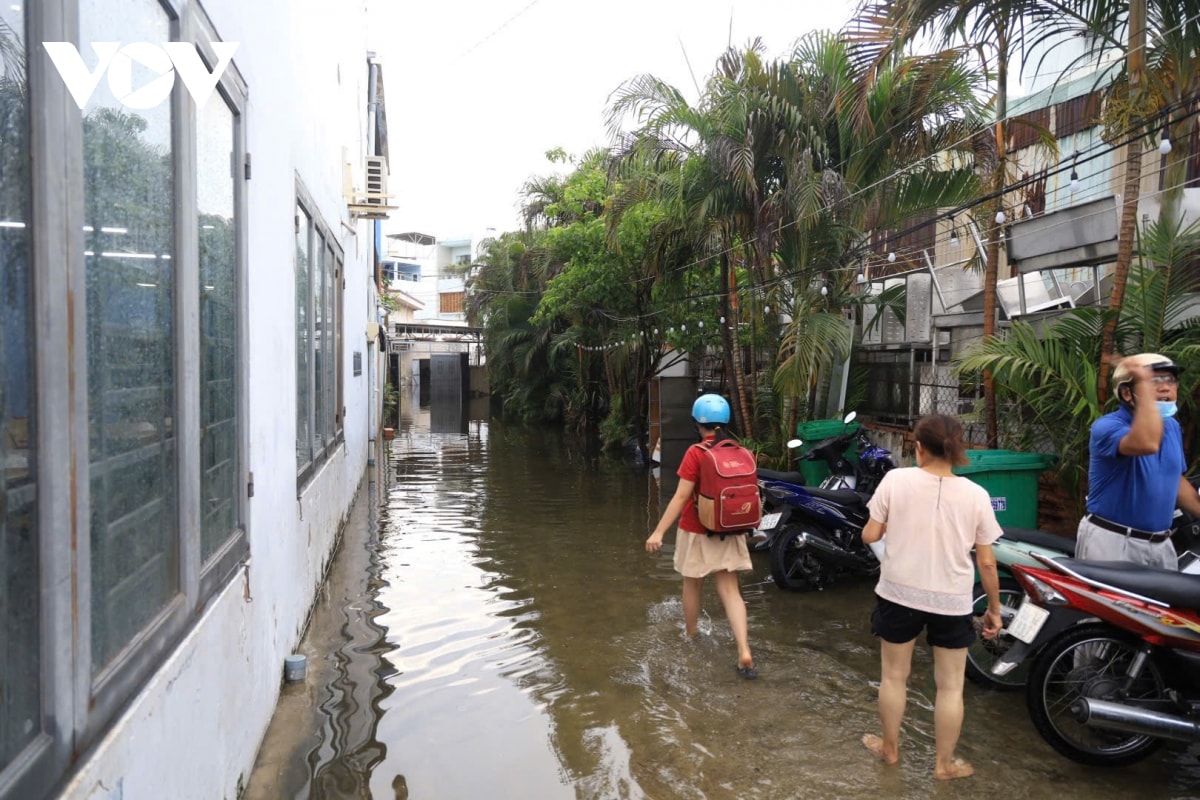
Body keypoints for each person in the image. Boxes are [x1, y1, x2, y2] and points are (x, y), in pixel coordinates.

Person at [859, 414, 1003, 781]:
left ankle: (889, 749)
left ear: (918, 447)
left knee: (893, 677)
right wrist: (994, 611)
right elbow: (986, 563)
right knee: (951, 686)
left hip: (898, 593)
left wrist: (892, 524)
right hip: (952, 601)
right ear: (956, 450)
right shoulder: (977, 495)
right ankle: (944, 764)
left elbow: (870, 535)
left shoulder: (896, 480)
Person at [645, 394, 756, 679]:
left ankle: (691, 635)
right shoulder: (739, 450)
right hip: (730, 530)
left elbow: (681, 496)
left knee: (692, 584)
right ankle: (743, 648)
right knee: (731, 591)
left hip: (697, 530)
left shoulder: (696, 453)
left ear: (697, 423)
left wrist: (659, 531)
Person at [1077, 353, 1200, 569]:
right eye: (1154, 381)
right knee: (1109, 604)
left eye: (1170, 380)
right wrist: (1143, 382)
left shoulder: (1171, 427)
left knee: (1166, 603)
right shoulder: (1107, 427)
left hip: (1161, 543)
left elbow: (1174, 480)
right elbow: (1146, 443)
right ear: (1127, 393)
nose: (1165, 388)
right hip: (1113, 542)